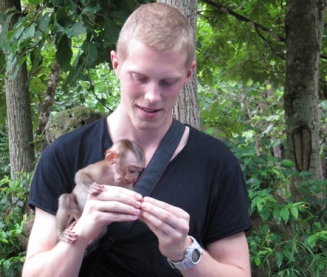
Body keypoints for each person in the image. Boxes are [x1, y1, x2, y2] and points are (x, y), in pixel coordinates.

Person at [22, 3, 251, 276]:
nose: (153, 96)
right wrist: (82, 233)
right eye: (139, 78)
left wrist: (186, 252)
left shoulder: (215, 163)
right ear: (116, 64)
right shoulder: (64, 155)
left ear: (189, 74)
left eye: (167, 81)